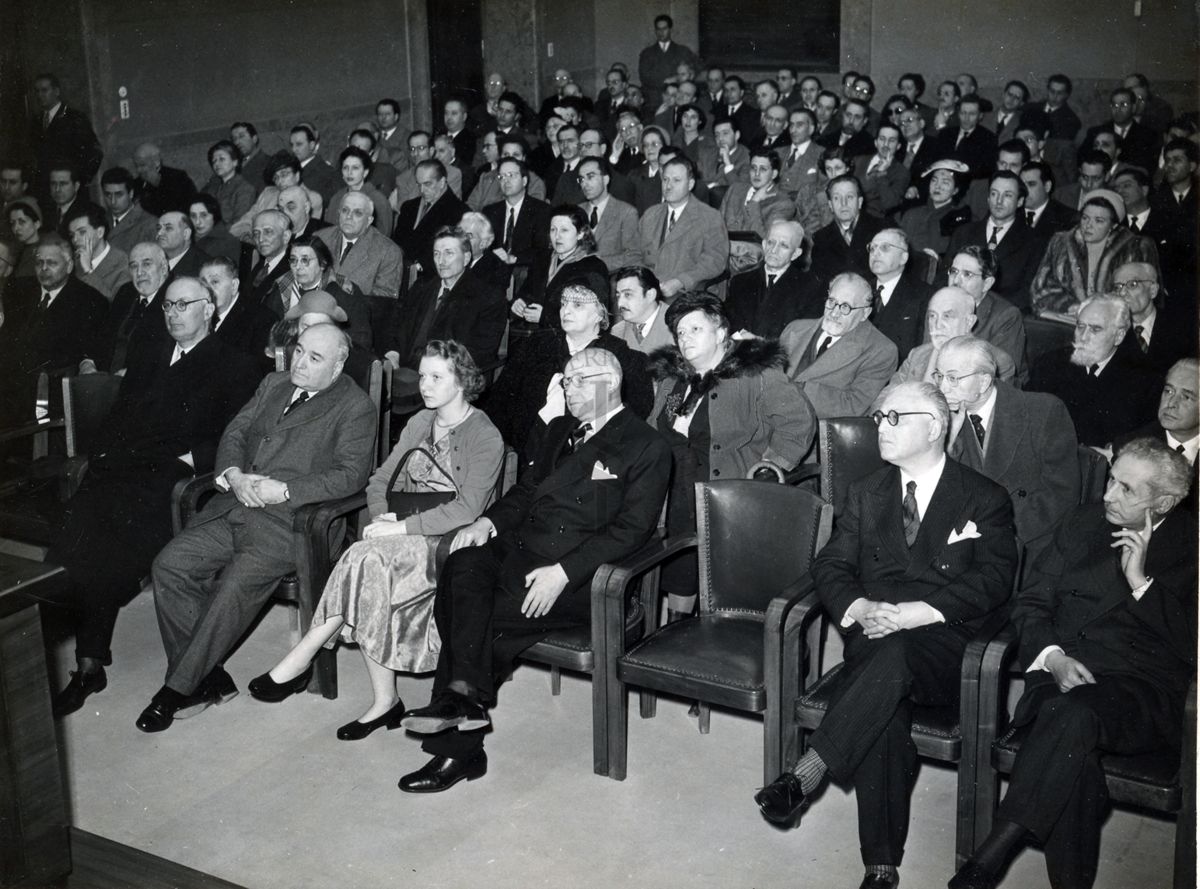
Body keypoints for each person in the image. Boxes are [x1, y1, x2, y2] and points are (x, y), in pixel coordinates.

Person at [755, 380, 1017, 889]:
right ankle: (880, 869)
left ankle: (808, 773)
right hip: (875, 633)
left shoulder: (984, 498)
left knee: (889, 665)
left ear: (936, 426)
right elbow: (830, 562)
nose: (882, 427)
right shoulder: (868, 491)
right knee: (885, 696)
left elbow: (994, 579)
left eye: (896, 417)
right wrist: (859, 604)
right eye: (879, 418)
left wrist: (922, 610)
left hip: (946, 646)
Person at [397, 346, 671, 792]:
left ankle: (457, 745)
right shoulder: (558, 430)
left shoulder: (646, 444)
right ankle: (462, 703)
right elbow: (525, 494)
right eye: (566, 380)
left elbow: (632, 531)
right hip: (524, 551)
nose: (569, 388)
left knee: (473, 611)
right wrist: (486, 522)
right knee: (462, 564)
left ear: (612, 382)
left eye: (580, 380)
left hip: (584, 575)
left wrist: (563, 572)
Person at [949, 438, 1195, 889]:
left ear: (1164, 502)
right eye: (1110, 480)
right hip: (1061, 677)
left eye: (1126, 489)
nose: (1107, 495)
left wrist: (1141, 584)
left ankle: (987, 860)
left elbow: (1192, 644)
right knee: (1073, 748)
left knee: (1072, 717)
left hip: (1138, 694)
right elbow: (1032, 603)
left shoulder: (1192, 546)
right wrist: (1053, 658)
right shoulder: (1081, 523)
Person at [248, 341, 504, 737]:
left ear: (463, 382)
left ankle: (306, 656)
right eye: (422, 376)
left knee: (363, 558)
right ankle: (383, 701)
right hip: (400, 533)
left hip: (446, 545)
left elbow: (467, 510)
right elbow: (381, 478)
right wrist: (384, 513)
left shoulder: (484, 435)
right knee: (368, 565)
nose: (425, 385)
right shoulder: (420, 422)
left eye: (437, 377)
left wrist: (399, 528)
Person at [135, 323, 378, 732]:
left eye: (314, 358)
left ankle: (177, 688)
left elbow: (351, 476)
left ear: (338, 367)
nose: (299, 362)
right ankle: (207, 675)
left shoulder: (355, 407)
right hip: (236, 503)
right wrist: (233, 473)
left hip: (290, 524)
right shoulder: (273, 383)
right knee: (169, 565)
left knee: (231, 588)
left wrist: (284, 490)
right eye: (298, 350)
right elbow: (237, 431)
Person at [49, 277, 259, 716]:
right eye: (167, 305)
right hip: (120, 466)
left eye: (185, 304)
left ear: (210, 309)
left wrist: (192, 457)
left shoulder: (234, 363)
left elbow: (239, 436)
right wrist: (101, 454)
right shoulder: (147, 354)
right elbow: (118, 415)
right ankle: (89, 663)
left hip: (171, 478)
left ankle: (93, 663)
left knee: (107, 546)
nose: (174, 313)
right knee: (74, 537)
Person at [648, 291, 816, 618]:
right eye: (680, 333)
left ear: (721, 332)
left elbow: (798, 423)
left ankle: (713, 632)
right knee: (677, 572)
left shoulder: (755, 373)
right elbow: (654, 426)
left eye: (695, 329)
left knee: (716, 583)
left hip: (728, 492)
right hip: (675, 490)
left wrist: (770, 468)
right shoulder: (673, 379)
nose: (685, 339)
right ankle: (677, 630)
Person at [934, 335, 1079, 561]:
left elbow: (1061, 493)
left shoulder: (1042, 411)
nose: (942, 388)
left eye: (953, 378)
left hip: (1029, 542)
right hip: (964, 543)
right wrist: (949, 443)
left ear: (983, 381)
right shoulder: (942, 419)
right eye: (939, 376)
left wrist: (997, 533)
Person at [483, 284, 652, 459]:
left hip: (586, 459)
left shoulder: (623, 358)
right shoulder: (536, 345)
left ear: (599, 314)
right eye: (564, 303)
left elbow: (629, 421)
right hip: (522, 454)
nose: (566, 311)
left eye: (577, 305)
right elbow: (499, 401)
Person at [1027, 295, 1159, 447]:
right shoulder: (1049, 364)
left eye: (1096, 329)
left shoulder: (1144, 381)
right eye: (1080, 326)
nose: (1083, 337)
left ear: (1119, 336)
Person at [387, 227, 507, 373]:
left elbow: (479, 352)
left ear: (466, 258)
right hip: (406, 372)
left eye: (449, 253)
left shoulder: (488, 297)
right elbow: (397, 325)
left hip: (451, 377)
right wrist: (393, 352)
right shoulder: (421, 287)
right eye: (436, 254)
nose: (441, 261)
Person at [780, 272, 898, 417]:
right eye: (832, 302)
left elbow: (854, 406)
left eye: (845, 307)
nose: (834, 313)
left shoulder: (881, 350)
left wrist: (795, 389)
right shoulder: (795, 329)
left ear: (865, 313)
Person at [1031, 190, 1159, 317]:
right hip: (1066, 317)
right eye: (1085, 218)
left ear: (1113, 225)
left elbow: (1141, 295)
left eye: (1099, 220)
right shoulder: (1061, 243)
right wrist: (1070, 305)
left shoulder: (1133, 248)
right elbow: (1041, 289)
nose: (1088, 225)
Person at [315, 190, 403, 344]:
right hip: (314, 318)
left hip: (357, 329)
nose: (349, 217)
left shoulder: (388, 251)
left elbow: (384, 302)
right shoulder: (320, 238)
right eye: (345, 210)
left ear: (369, 220)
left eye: (357, 213)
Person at [637, 155, 729, 298]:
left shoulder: (710, 217)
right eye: (665, 179)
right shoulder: (650, 214)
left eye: (676, 180)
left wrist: (681, 281)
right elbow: (636, 252)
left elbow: (715, 260)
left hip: (688, 292)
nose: (668, 186)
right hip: (649, 289)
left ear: (690, 184)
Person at [513, 204, 609, 338]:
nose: (557, 236)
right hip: (538, 335)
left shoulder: (593, 266)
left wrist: (545, 317)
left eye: (564, 230)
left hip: (571, 339)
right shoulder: (542, 259)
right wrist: (519, 301)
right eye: (553, 230)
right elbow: (527, 291)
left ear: (581, 233)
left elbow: (596, 317)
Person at [892, 287, 1016, 386]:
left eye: (947, 316)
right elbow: (885, 398)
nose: (937, 325)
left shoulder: (997, 362)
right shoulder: (918, 355)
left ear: (969, 322)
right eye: (932, 316)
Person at [270, 234, 372, 351]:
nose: (298, 267)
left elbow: (361, 340)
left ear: (322, 264)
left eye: (305, 260)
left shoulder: (344, 291)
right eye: (293, 260)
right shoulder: (282, 287)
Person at [726, 219, 823, 339]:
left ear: (795, 254)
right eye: (771, 242)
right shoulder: (739, 283)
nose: (774, 250)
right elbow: (730, 324)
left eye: (783, 245)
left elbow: (803, 336)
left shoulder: (810, 287)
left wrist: (763, 344)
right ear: (764, 244)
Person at [945, 246, 1028, 385]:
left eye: (967, 274)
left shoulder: (1007, 316)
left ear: (987, 284)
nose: (956, 281)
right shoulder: (939, 305)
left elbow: (1003, 376)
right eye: (954, 272)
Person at [28, 73, 103, 189]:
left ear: (57, 91)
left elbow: (95, 152)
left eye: (44, 90)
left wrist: (80, 180)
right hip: (45, 191)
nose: (39, 95)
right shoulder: (35, 122)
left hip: (71, 189)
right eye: (36, 91)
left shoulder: (75, 118)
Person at [867, 228, 931, 362]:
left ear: (903, 258)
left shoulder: (924, 295)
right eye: (872, 248)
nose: (875, 253)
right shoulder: (860, 289)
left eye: (884, 248)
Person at [809, 174, 886, 284]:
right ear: (830, 205)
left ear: (860, 202)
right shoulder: (821, 238)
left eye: (849, 197)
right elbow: (818, 281)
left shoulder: (881, 229)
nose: (843, 203)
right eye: (837, 198)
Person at [897, 159, 972, 259]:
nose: (937, 186)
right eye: (934, 180)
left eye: (945, 182)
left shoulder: (959, 218)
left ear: (955, 190)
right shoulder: (911, 214)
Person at [578, 156, 640, 271]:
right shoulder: (577, 211)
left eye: (590, 177)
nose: (584, 184)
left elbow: (633, 256)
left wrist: (596, 264)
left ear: (605, 179)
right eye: (581, 179)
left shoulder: (626, 212)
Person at [66, 203, 129, 301]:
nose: (75, 239)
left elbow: (115, 305)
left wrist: (89, 271)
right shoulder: (76, 260)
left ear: (100, 232)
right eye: (72, 235)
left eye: (82, 232)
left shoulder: (123, 262)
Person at [325, 146, 392, 235]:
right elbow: (329, 231)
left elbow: (384, 236)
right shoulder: (337, 197)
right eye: (345, 168)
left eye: (355, 168)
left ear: (365, 172)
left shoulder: (378, 200)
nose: (349, 172)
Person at [638, 14, 698, 109]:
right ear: (655, 31)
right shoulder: (647, 53)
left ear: (671, 30)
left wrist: (676, 79)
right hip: (654, 102)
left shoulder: (683, 51)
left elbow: (692, 74)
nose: (661, 32)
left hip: (678, 99)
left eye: (664, 29)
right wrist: (666, 81)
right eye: (658, 29)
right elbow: (644, 77)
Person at [609, 265, 673, 354]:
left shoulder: (677, 326)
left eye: (628, 295)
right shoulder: (617, 332)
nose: (620, 303)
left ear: (650, 295)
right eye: (618, 296)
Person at [101, 166, 159, 255]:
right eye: (108, 195)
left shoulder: (150, 224)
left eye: (118, 195)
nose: (113, 201)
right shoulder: (100, 220)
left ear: (131, 194)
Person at [132, 143, 197, 217]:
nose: (138, 170)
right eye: (136, 166)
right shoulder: (136, 184)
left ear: (156, 162)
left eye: (142, 165)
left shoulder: (178, 178)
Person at [201, 140, 255, 225]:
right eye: (214, 161)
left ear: (235, 162)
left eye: (221, 159)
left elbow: (239, 223)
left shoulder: (244, 188)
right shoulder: (212, 186)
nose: (217, 164)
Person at [187, 193, 242, 266]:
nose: (198, 222)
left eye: (203, 215)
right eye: (193, 216)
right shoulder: (188, 236)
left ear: (214, 215)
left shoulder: (228, 242)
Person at [156, 210, 209, 280]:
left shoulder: (203, 267)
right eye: (158, 228)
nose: (159, 233)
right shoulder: (154, 260)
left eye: (168, 228)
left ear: (186, 234)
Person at [5, 198, 43, 280]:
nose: (16, 228)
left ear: (37, 224)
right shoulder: (17, 250)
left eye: (22, 222)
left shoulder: (42, 252)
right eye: (13, 223)